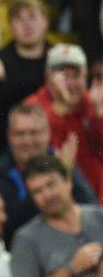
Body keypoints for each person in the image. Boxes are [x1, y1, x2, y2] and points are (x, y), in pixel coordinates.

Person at [0, 104, 97, 246]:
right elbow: (6, 227)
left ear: (47, 133)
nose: (28, 141)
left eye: (34, 133)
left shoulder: (60, 161)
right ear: (9, 136)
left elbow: (91, 207)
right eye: (20, 134)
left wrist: (67, 173)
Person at [11, 154, 103, 277]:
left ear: (68, 181)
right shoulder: (26, 238)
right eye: (37, 191)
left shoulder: (100, 216)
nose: (47, 195)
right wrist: (71, 269)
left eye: (51, 185)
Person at [0, 0, 51, 159]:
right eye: (19, 18)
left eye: (32, 17)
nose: (27, 24)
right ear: (10, 25)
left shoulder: (58, 60)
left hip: (50, 148)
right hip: (2, 152)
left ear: (45, 22)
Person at [25, 43, 103, 199]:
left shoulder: (91, 101)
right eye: (63, 76)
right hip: (53, 196)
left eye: (76, 76)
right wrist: (60, 109)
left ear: (85, 76)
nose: (70, 84)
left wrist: (99, 114)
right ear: (48, 77)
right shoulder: (33, 108)